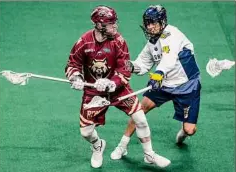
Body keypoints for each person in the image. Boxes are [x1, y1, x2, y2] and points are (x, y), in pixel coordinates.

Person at [65, 5, 171, 168]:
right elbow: (72, 63)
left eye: (115, 22)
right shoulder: (84, 42)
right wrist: (75, 77)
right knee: (85, 132)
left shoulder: (119, 41)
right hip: (94, 92)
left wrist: (111, 83)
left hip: (118, 90)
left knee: (140, 119)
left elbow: (124, 69)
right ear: (99, 25)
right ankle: (97, 145)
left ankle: (149, 154)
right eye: (111, 23)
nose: (115, 26)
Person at [111, 4, 201, 160]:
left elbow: (169, 59)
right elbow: (143, 64)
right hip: (163, 84)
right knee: (138, 110)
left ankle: (184, 132)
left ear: (162, 21)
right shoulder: (152, 43)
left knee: (190, 130)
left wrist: (158, 74)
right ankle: (122, 146)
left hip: (186, 86)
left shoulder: (172, 34)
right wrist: (128, 65)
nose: (150, 26)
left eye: (153, 22)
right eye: (147, 23)